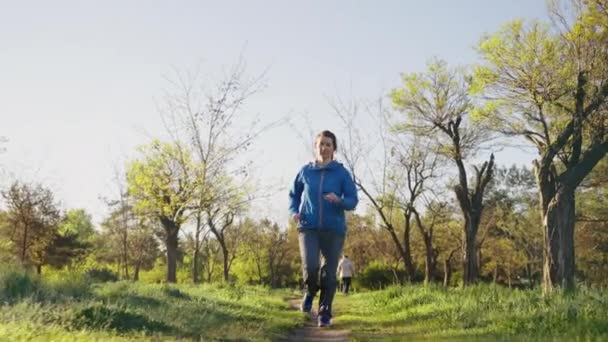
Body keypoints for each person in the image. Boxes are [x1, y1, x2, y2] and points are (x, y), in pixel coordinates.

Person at [289, 130, 359, 327]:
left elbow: (353, 200)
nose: (324, 148)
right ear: (315, 147)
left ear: (334, 149)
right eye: (321, 144)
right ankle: (310, 292)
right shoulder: (305, 171)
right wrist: (294, 210)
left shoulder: (341, 173)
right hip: (308, 227)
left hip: (333, 229)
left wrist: (340, 200)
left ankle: (325, 311)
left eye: (328, 144)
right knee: (311, 266)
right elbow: (294, 194)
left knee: (329, 271)